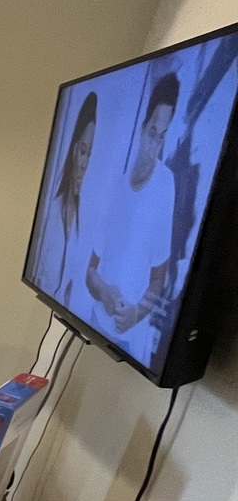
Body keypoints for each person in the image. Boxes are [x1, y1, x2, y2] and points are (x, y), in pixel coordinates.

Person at [85, 72, 179, 363]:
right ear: (142, 128)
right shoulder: (117, 180)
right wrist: (103, 292)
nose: (155, 144)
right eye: (152, 132)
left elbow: (159, 277)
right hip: (92, 321)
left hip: (128, 344)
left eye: (162, 136)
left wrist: (136, 314)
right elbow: (90, 271)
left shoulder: (165, 184)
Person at [33, 91, 97, 307]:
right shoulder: (51, 213)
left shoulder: (85, 221)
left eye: (90, 155)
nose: (84, 163)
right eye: (82, 151)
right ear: (73, 151)